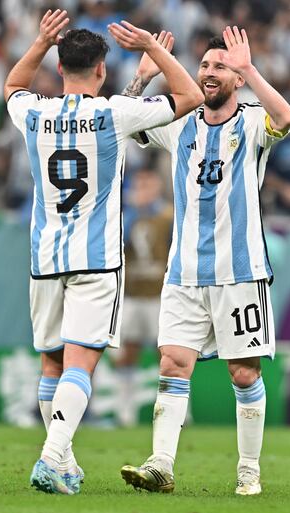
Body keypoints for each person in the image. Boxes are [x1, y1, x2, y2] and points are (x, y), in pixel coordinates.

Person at [3, 10, 202, 495]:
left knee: (52, 363)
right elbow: (190, 97)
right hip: (96, 260)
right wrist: (154, 52)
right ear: (100, 70)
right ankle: (52, 457)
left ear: (57, 68)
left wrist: (38, 42)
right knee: (80, 363)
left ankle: (65, 462)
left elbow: (12, 86)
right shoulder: (114, 113)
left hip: (45, 258)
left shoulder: (35, 112)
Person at [117, 27, 290, 496]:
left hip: (240, 273)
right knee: (173, 363)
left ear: (236, 80)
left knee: (244, 372)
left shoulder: (254, 122)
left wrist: (251, 67)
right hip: (184, 274)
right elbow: (126, 123)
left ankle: (248, 470)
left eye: (219, 67)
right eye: (205, 66)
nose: (208, 73)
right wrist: (141, 80)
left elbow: (287, 116)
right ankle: (161, 463)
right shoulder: (181, 122)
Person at [116, 167, 173, 427]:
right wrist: (133, 212)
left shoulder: (168, 215)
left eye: (147, 186)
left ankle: (175, 408)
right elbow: (119, 240)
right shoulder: (127, 217)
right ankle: (125, 409)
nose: (142, 192)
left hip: (160, 294)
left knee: (168, 353)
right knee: (128, 350)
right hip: (133, 293)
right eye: (138, 186)